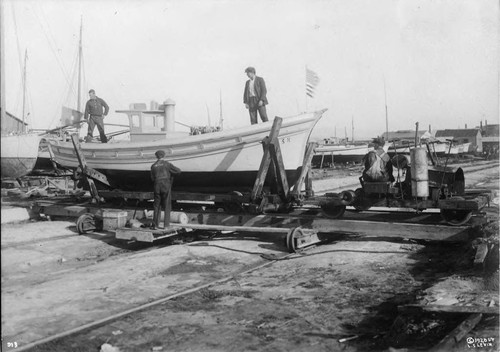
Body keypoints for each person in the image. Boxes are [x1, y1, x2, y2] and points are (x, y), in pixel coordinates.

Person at [150, 150, 181, 229]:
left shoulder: (153, 166)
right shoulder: (167, 164)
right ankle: (166, 225)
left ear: (156, 156)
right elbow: (178, 171)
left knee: (156, 206)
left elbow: (152, 178)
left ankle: (155, 225)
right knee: (167, 205)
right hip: (165, 186)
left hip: (157, 186)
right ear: (164, 156)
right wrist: (171, 174)